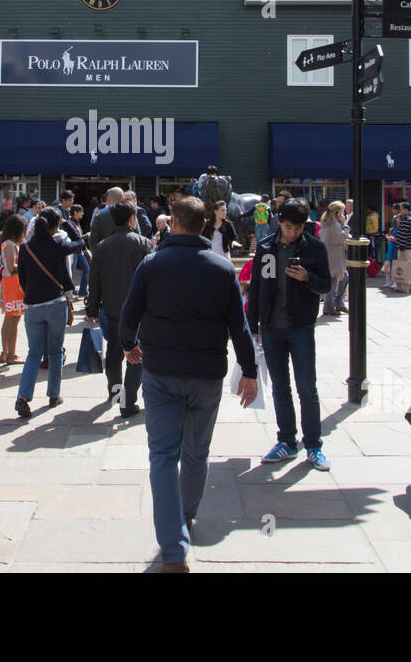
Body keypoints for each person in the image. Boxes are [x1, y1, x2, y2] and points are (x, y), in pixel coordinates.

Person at [119, 197, 258, 572]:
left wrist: (129, 346)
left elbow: (127, 316)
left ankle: (174, 547)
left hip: (161, 372)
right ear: (201, 225)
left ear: (176, 223)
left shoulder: (152, 264)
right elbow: (239, 327)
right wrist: (250, 370)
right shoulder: (222, 268)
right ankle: (187, 515)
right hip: (206, 375)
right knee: (196, 453)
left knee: (163, 457)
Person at [247, 198, 333, 470]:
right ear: (279, 221)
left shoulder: (315, 248)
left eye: (297, 227)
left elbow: (326, 285)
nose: (292, 232)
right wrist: (253, 324)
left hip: (300, 327)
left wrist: (308, 278)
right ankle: (286, 440)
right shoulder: (267, 247)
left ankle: (314, 444)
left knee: (307, 388)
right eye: (287, 226)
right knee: (280, 388)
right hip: (272, 327)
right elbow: (258, 286)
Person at [86, 202, 153, 418]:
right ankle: (129, 399)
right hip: (140, 311)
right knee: (137, 354)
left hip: (112, 309)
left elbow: (94, 280)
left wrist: (92, 308)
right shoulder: (144, 244)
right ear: (132, 218)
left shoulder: (102, 246)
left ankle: (115, 393)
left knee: (114, 353)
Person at [14, 207, 82, 417]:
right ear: (55, 226)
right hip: (55, 302)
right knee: (54, 351)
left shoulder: (25, 248)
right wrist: (73, 229)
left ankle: (23, 396)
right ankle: (53, 394)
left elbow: (22, 279)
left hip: (33, 304)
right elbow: (79, 245)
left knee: (33, 353)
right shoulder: (58, 244)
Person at [0, 215, 27, 364]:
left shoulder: (7, 243)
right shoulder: (10, 244)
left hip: (10, 283)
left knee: (10, 318)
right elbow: (11, 267)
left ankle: (6, 352)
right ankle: (11, 354)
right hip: (12, 283)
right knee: (13, 319)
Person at [320, 201, 350, 315]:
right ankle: (329, 307)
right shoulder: (334, 224)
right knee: (333, 282)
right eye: (342, 212)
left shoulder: (328, 223)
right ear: (337, 213)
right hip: (333, 256)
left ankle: (339, 303)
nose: (344, 215)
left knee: (344, 277)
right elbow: (343, 237)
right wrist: (345, 225)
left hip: (333, 255)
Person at [393, 202, 411, 293]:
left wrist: (401, 247)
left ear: (406, 209)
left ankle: (404, 287)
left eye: (401, 209)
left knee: (405, 267)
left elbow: (403, 235)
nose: (399, 211)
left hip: (406, 247)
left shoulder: (405, 220)